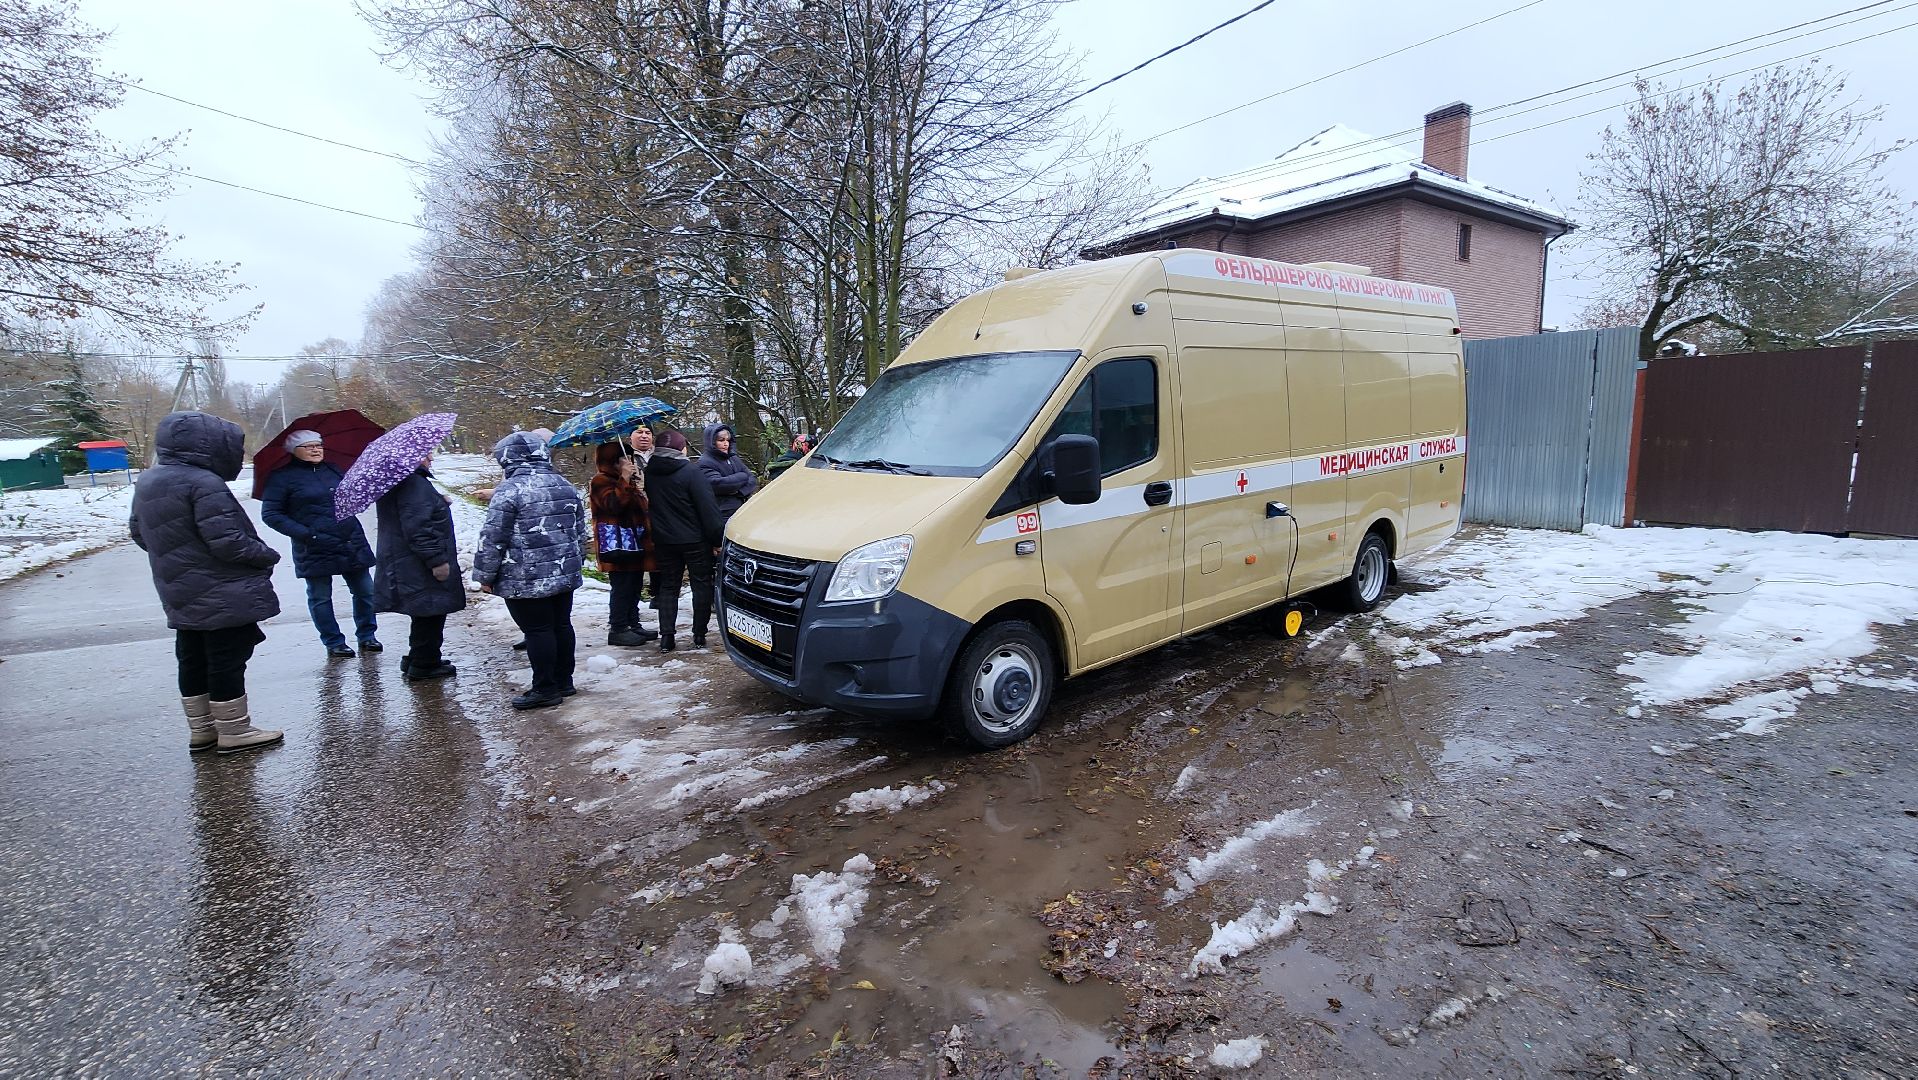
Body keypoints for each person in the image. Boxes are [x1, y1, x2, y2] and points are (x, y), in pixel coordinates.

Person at [129, 411, 284, 755]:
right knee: (226, 657)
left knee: (193, 656)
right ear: (209, 444)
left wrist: (179, 557)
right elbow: (229, 542)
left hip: (178, 587)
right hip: (220, 588)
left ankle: (203, 730)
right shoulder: (203, 483)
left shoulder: (150, 479)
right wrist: (265, 555)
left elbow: (139, 532)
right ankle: (234, 731)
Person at [473, 431, 586, 708]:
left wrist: (484, 576)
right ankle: (564, 681)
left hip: (525, 576)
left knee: (537, 630)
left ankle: (545, 688)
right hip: (563, 572)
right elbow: (579, 532)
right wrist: (575, 561)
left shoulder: (509, 491)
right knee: (561, 624)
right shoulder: (564, 484)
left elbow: (493, 537)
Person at [259, 429, 380, 659]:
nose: (316, 450)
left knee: (366, 592)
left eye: (319, 445)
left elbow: (350, 496)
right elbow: (272, 514)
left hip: (349, 540)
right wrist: (307, 534)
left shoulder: (333, 469)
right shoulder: (281, 478)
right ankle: (334, 642)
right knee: (320, 597)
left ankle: (367, 636)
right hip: (313, 545)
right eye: (308, 446)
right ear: (294, 451)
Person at [372, 449, 465, 682]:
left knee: (423, 611)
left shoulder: (399, 481)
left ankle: (418, 657)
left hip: (406, 561)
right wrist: (436, 561)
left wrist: (438, 503)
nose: (430, 458)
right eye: (424, 455)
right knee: (430, 611)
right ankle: (425, 663)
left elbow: (414, 515)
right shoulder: (413, 483)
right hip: (418, 563)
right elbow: (418, 529)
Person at [645, 430, 723, 651]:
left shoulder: (650, 472)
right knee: (701, 585)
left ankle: (667, 637)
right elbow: (708, 510)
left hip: (664, 540)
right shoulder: (691, 472)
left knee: (668, 587)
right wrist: (717, 539)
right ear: (681, 449)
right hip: (695, 540)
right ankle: (699, 634)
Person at [589, 441, 658, 648]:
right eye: (623, 459)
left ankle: (632, 623)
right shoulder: (600, 481)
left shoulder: (626, 481)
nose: (629, 462)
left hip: (635, 544)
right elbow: (613, 505)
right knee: (622, 586)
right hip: (618, 546)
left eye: (630, 458)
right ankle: (618, 628)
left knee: (634, 584)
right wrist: (625, 480)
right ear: (612, 462)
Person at [696, 421, 759, 521]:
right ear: (712, 442)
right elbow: (719, 485)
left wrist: (739, 492)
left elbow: (752, 479)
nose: (726, 444)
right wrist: (742, 477)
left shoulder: (733, 458)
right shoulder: (704, 462)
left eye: (728, 440)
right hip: (722, 513)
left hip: (742, 508)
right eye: (721, 440)